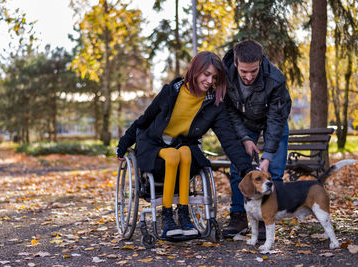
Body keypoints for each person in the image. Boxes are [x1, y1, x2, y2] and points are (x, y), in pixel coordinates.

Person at [117, 51, 253, 238]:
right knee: (174, 154)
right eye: (206, 74)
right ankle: (167, 216)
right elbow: (144, 120)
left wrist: (247, 169)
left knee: (186, 153)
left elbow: (228, 139)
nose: (209, 81)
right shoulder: (171, 91)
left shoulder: (213, 104)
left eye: (214, 77)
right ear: (195, 70)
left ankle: (184, 214)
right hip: (154, 149)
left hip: (183, 150)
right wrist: (124, 143)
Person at [221, 40, 291, 238]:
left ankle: (265, 220)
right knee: (239, 168)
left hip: (273, 121)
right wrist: (244, 137)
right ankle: (238, 216)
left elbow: (276, 120)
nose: (249, 76)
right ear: (236, 63)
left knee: (273, 171)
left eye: (254, 71)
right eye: (244, 72)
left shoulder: (275, 79)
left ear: (261, 62)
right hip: (244, 122)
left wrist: (267, 155)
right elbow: (229, 112)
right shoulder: (225, 76)